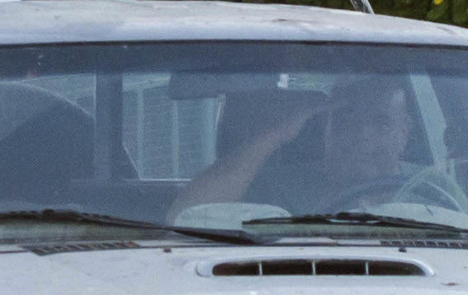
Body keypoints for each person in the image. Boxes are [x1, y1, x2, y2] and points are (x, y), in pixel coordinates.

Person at [176, 76, 451, 221]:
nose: (363, 134)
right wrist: (276, 134)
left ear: (404, 131)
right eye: (347, 119)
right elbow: (184, 217)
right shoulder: (280, 187)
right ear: (324, 127)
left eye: (381, 122)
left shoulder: (433, 188)